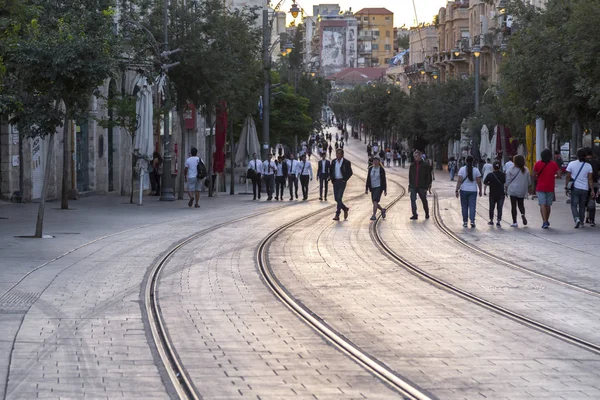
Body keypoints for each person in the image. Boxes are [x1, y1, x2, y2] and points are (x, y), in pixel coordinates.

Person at [565, 148, 595, 228]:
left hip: (575, 188)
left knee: (574, 205)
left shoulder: (571, 164)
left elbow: (568, 177)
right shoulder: (588, 166)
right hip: (584, 188)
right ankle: (581, 221)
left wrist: (566, 187)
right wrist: (592, 190)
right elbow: (590, 179)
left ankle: (576, 219)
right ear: (585, 156)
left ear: (577, 155)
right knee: (582, 206)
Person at [533, 148, 560, 229]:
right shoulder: (554, 164)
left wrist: (537, 177)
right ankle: (546, 220)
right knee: (548, 205)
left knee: (542, 204)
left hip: (540, 187)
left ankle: (544, 221)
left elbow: (533, 174)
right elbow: (559, 174)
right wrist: (553, 176)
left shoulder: (537, 164)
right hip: (550, 187)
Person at [455, 155, 482, 227]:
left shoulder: (462, 169)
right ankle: (472, 221)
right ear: (473, 161)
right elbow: (479, 181)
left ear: (465, 161)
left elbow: (459, 181)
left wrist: (456, 190)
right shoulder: (476, 170)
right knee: (472, 206)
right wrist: (480, 190)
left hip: (463, 190)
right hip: (473, 190)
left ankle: (465, 222)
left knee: (464, 206)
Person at [505, 154, 530, 228]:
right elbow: (528, 181)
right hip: (522, 190)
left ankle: (515, 222)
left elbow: (507, 181)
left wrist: (505, 188)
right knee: (521, 204)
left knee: (513, 206)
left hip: (513, 190)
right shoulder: (526, 170)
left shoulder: (511, 169)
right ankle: (522, 214)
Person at [330, 148, 353, 221]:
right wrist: (331, 178)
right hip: (335, 182)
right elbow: (331, 171)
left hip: (342, 182)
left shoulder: (346, 162)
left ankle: (337, 214)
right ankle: (345, 208)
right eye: (337, 153)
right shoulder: (333, 162)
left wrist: (344, 179)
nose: (338, 155)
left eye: (339, 154)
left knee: (339, 198)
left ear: (342, 154)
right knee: (336, 198)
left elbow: (350, 172)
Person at [408, 150, 432, 220]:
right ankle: (414, 214)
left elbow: (428, 176)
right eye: (414, 156)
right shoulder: (412, 165)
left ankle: (426, 213)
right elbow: (410, 176)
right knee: (412, 199)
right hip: (413, 186)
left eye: (417, 156)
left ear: (420, 156)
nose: (415, 158)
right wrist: (410, 185)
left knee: (424, 200)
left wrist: (427, 186)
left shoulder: (425, 165)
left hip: (422, 186)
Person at [483, 161, 506, 227]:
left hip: (492, 193)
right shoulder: (503, 174)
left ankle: (491, 220)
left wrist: (490, 184)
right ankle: (498, 221)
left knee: (492, 207)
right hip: (501, 194)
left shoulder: (490, 174)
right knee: (500, 208)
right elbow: (504, 182)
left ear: (493, 167)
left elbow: (485, 182)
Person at [365, 157, 387, 221]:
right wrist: (366, 188)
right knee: (374, 202)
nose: (375, 162)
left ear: (379, 162)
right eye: (374, 161)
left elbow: (384, 180)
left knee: (375, 200)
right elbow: (368, 179)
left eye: (377, 161)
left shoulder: (381, 169)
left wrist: (385, 190)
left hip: (379, 187)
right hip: (372, 187)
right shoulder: (370, 169)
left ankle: (374, 215)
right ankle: (382, 210)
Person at [584, 147, 599, 226]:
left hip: (584, 184)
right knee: (592, 201)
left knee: (584, 201)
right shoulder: (596, 162)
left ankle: (586, 217)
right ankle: (592, 219)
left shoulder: (583, 162)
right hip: (594, 183)